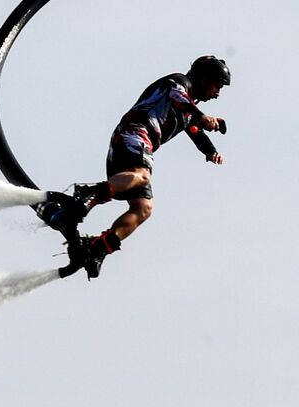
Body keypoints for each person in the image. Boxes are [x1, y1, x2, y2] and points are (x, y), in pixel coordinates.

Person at [72, 55, 230, 272]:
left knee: (144, 208)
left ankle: (98, 247)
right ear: (204, 78)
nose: (218, 94)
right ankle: (87, 196)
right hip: (133, 134)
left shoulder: (188, 112)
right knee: (143, 175)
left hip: (137, 144)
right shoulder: (179, 82)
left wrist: (211, 151)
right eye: (217, 86)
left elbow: (195, 131)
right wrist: (202, 115)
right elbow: (178, 98)